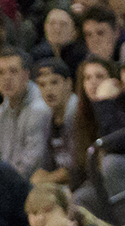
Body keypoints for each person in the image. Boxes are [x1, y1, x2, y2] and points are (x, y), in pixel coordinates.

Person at [0, 48, 52, 180]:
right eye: (0, 73)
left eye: (13, 71)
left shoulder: (39, 109)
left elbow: (32, 163)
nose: (6, 78)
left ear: (26, 75)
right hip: (7, 182)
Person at [31, 58, 82, 187]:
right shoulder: (47, 118)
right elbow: (47, 165)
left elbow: (78, 168)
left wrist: (48, 179)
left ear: (68, 83)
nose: (48, 90)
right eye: (42, 85)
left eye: (54, 82)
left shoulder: (77, 113)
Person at [36, 5, 89, 72]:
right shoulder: (38, 55)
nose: (57, 29)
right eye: (52, 23)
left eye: (63, 24)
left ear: (75, 32)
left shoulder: (82, 58)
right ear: (45, 28)